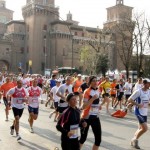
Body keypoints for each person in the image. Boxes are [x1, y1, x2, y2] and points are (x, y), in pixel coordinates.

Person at [80, 76, 102, 150]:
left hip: (95, 117)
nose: (95, 82)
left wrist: (99, 106)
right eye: (93, 81)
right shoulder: (87, 91)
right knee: (83, 138)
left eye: (96, 80)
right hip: (86, 117)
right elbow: (84, 106)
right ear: (90, 82)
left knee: (98, 139)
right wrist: (92, 99)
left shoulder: (98, 90)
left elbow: (97, 103)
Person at [128, 79, 150, 149]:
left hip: (145, 112)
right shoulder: (138, 91)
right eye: (148, 83)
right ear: (144, 84)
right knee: (145, 128)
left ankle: (132, 140)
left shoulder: (149, 91)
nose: (149, 85)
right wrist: (137, 104)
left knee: (140, 128)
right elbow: (130, 99)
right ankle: (135, 141)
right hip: (138, 111)